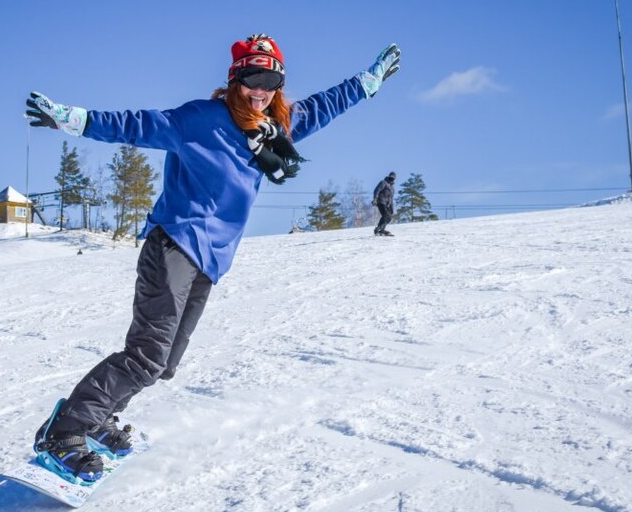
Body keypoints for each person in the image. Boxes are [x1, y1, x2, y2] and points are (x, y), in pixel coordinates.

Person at [24, 33, 401, 484]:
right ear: (235, 79)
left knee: (164, 364)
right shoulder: (201, 119)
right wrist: (74, 120)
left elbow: (325, 105)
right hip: (174, 244)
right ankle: (65, 432)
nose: (261, 90)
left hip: (209, 261)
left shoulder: (274, 127)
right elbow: (135, 125)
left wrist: (366, 83)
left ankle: (99, 418)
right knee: (146, 356)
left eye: (271, 81)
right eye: (252, 78)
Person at [372, 171, 397, 236]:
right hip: (381, 201)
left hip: (387, 204)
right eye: (391, 176)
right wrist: (375, 199)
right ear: (389, 176)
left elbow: (391, 198)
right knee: (386, 215)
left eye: (393, 177)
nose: (392, 178)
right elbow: (376, 190)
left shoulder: (392, 188)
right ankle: (378, 229)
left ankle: (382, 230)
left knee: (389, 217)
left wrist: (391, 208)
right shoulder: (383, 182)